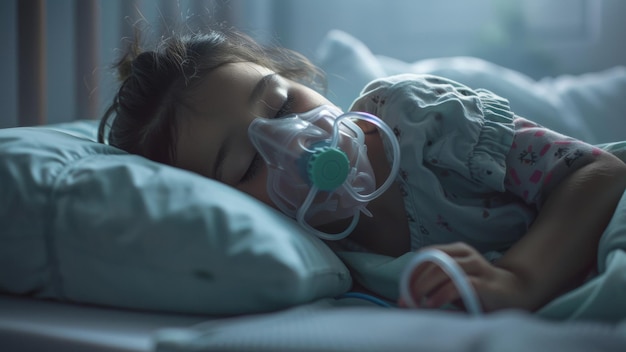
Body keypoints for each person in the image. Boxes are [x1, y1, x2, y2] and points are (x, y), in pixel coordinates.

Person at [98, 26, 626, 313]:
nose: (297, 138)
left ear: (303, 80)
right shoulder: (308, 254)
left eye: (283, 105)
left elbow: (596, 172)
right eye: (248, 163)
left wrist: (519, 279)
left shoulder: (413, 120)